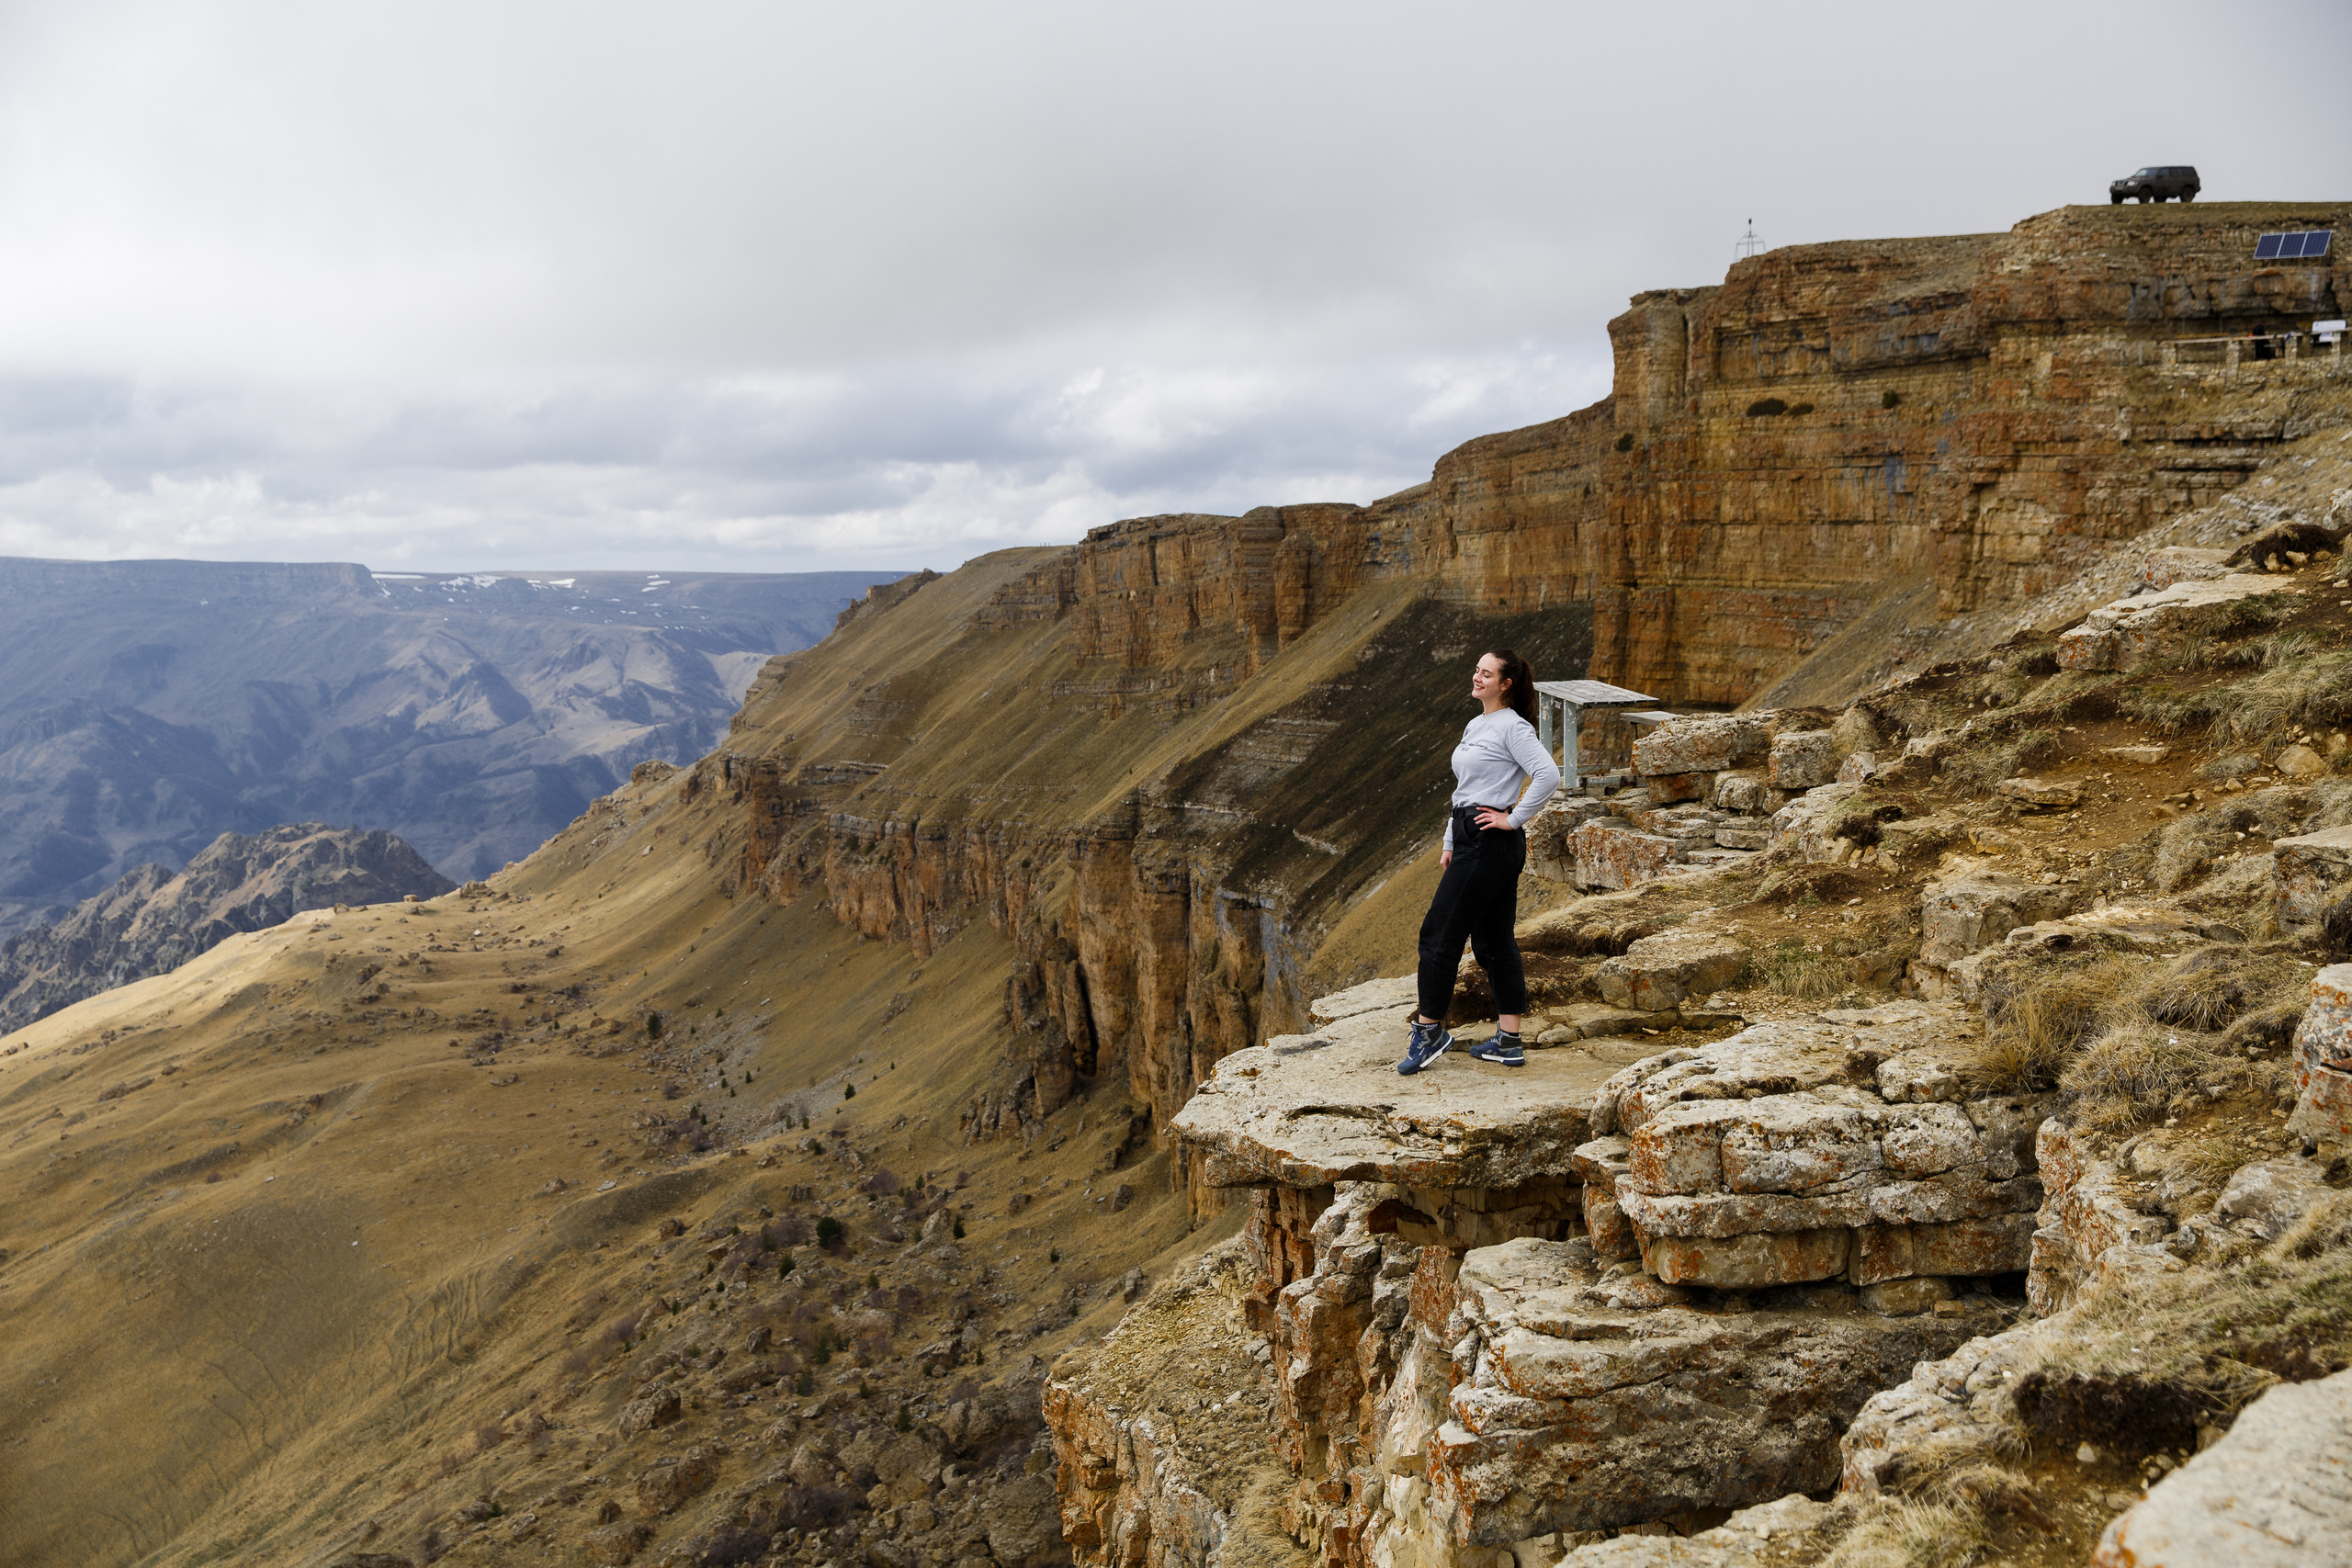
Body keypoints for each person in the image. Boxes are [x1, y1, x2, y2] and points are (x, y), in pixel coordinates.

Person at [1397, 648, 1562, 1076]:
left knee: (1438, 934)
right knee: (1492, 940)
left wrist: (1515, 819)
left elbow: (1548, 774)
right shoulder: (1477, 723)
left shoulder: (1514, 727)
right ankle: (1508, 1040)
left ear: (1505, 684)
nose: (1477, 677)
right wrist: (1451, 838)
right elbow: (1464, 788)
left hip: (1491, 841)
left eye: (1486, 674)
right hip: (1472, 837)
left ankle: (1430, 1030)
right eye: (1476, 670)